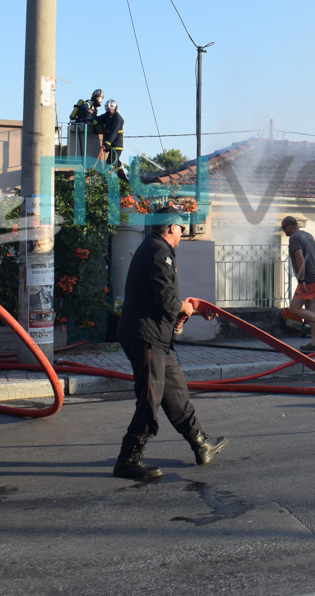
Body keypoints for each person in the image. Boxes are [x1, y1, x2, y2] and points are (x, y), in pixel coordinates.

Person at [113, 206, 227, 480]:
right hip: (146, 336)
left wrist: (192, 310)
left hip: (155, 337)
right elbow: (166, 300)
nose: (183, 233)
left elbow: (163, 299)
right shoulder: (158, 250)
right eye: (181, 227)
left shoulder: (152, 247)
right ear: (173, 227)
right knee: (150, 399)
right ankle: (129, 457)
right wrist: (185, 308)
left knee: (175, 391)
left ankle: (200, 442)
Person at [280, 215, 315, 351]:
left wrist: (302, 280)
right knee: (311, 312)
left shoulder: (294, 238)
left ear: (288, 227)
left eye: (283, 229)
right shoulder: (308, 235)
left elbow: (299, 258)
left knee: (294, 309)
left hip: (308, 280)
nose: (284, 232)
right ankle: (314, 342)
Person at [92, 99, 126, 181]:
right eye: (108, 110)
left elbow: (113, 133)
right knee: (117, 165)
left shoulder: (118, 119)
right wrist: (94, 121)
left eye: (111, 109)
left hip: (116, 146)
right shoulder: (107, 116)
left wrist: (106, 143)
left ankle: (103, 182)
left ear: (115, 109)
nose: (109, 111)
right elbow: (99, 119)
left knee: (108, 163)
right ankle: (126, 182)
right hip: (111, 146)